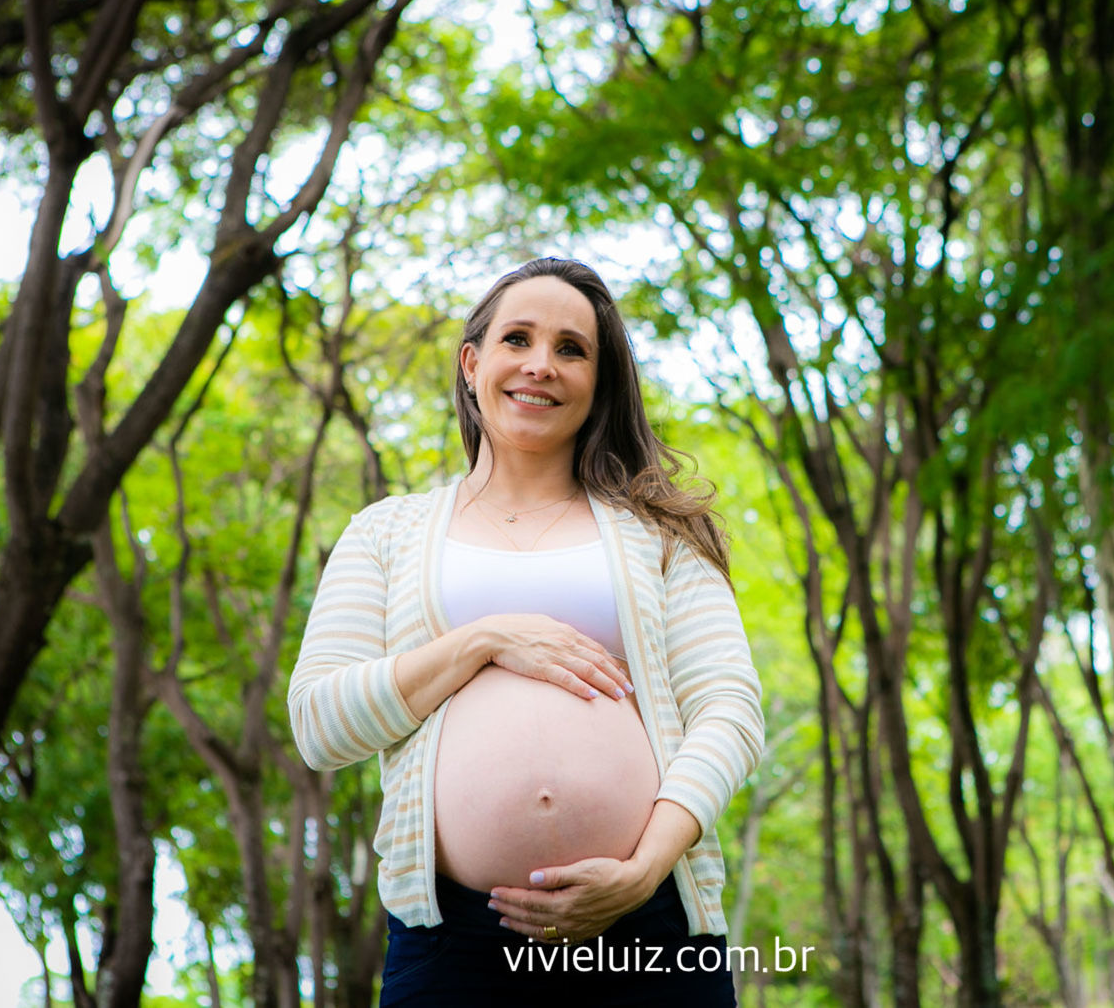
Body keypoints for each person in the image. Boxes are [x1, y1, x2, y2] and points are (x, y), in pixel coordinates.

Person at [288, 257, 765, 1005]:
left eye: (572, 349)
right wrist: (483, 639)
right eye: (519, 338)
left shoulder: (665, 532)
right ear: (473, 363)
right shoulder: (385, 532)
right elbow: (320, 722)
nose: (542, 364)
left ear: (598, 383)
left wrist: (642, 870)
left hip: (650, 929)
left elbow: (729, 708)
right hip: (454, 946)